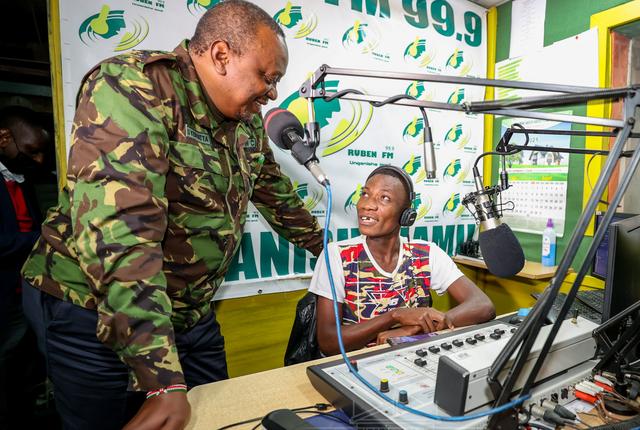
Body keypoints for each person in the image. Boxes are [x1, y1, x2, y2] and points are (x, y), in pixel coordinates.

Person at [20, 1, 323, 429]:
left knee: (221, 415)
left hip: (188, 314)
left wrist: (331, 250)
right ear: (221, 55)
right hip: (88, 309)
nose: (272, 93)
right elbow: (121, 236)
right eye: (267, 77)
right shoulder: (131, 87)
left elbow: (277, 197)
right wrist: (162, 380)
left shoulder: (246, 123)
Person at [309, 166, 495, 355]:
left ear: (406, 215)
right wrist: (394, 316)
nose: (367, 205)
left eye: (384, 198)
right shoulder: (335, 256)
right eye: (365, 194)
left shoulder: (427, 253)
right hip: (356, 366)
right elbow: (329, 342)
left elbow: (483, 305)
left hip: (414, 359)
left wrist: (418, 328)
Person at [0, 106, 48, 428]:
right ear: (4, 138)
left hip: (26, 294)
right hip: (2, 300)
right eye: (31, 150)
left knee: (21, 373)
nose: (39, 160)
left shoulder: (22, 179)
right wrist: (43, 237)